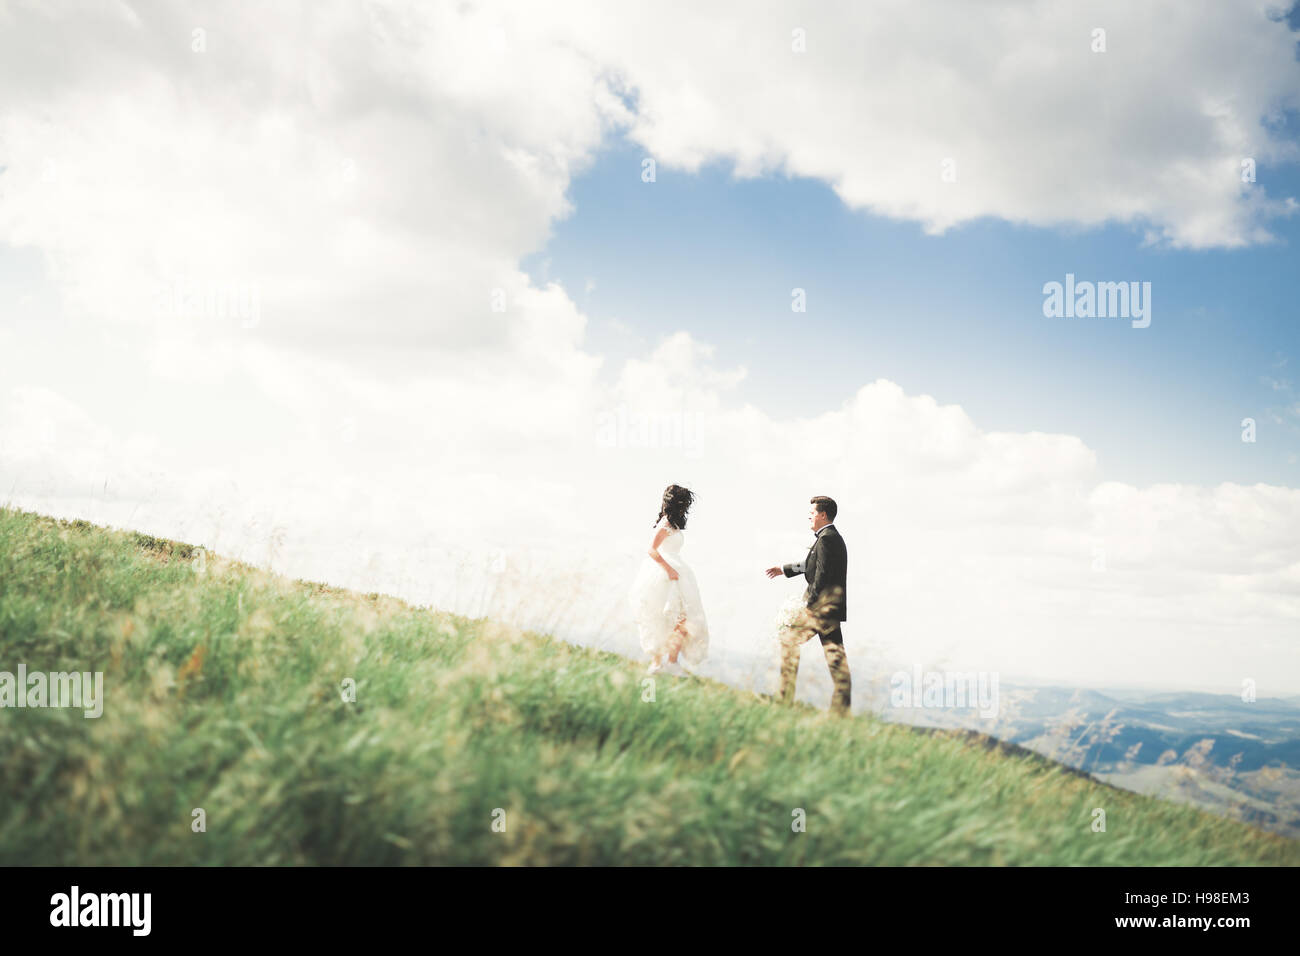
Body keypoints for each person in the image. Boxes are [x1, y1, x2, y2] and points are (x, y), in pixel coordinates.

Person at [764, 495, 852, 715]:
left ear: (823, 515)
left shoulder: (827, 539)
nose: (809, 517)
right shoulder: (830, 537)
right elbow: (809, 564)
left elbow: (820, 578)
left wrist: (806, 608)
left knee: (789, 642)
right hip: (830, 611)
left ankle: (784, 701)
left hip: (820, 611)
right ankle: (840, 711)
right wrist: (783, 569)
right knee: (837, 662)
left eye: (812, 514)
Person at [629, 484, 709, 676]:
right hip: (663, 574)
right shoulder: (665, 523)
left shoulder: (673, 524)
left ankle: (672, 662)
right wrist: (669, 570)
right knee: (660, 616)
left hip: (678, 573)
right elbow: (651, 550)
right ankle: (657, 663)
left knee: (682, 619)